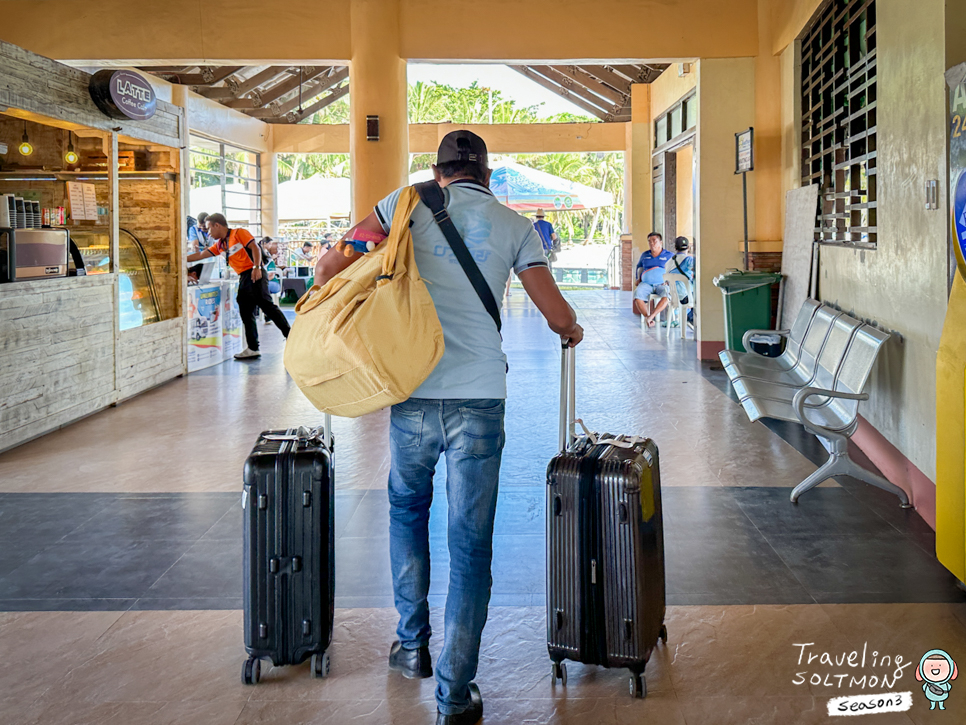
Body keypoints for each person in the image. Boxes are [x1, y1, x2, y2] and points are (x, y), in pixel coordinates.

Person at [312, 130, 583, 725]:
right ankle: (455, 697)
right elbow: (556, 312)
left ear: (440, 173)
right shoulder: (518, 226)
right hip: (481, 397)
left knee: (407, 509)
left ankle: (412, 647)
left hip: (412, 390)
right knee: (470, 542)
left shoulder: (400, 207)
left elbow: (330, 263)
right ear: (487, 175)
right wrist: (571, 330)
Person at [185, 213, 290, 360]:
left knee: (267, 306)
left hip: (254, 273)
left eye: (209, 229)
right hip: (244, 276)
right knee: (246, 310)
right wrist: (181, 258)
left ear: (217, 225)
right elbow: (202, 254)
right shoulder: (221, 244)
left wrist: (257, 267)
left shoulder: (239, 233)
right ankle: (253, 348)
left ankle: (290, 336)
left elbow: (255, 248)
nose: (207, 232)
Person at [634, 232, 673, 327]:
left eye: (654, 241)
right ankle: (648, 318)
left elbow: (674, 270)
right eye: (649, 241)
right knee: (637, 295)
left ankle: (652, 316)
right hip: (646, 284)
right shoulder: (645, 255)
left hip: (662, 284)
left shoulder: (669, 255)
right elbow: (639, 268)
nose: (652, 243)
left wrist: (669, 282)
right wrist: (638, 278)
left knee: (667, 295)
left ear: (661, 242)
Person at [670, 236, 695, 325]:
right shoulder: (689, 260)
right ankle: (691, 318)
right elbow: (697, 269)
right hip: (686, 297)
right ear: (688, 247)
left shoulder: (669, 262)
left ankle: (681, 317)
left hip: (672, 297)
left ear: (675, 248)